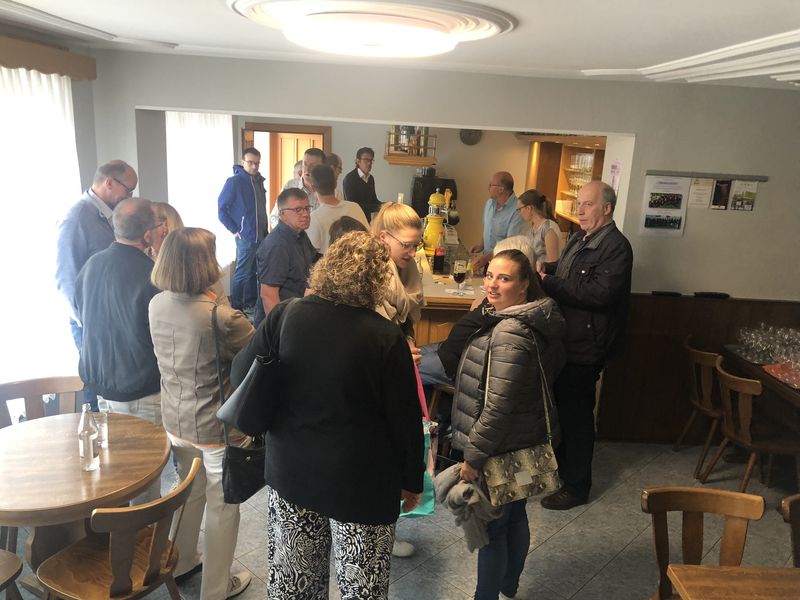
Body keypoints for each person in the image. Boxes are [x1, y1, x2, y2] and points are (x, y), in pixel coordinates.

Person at [232, 232, 423, 599]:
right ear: (377, 280)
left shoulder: (286, 314)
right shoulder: (385, 337)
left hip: (291, 471)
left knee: (295, 585)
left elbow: (241, 374)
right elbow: (405, 420)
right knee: (361, 589)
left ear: (325, 267)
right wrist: (412, 480)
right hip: (359, 484)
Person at [452, 249, 565, 600]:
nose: (492, 284)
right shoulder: (536, 318)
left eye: (504, 278)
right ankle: (509, 584)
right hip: (528, 439)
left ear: (524, 284)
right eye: (490, 275)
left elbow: (498, 406)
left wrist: (474, 457)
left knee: (493, 531)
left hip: (501, 448)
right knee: (516, 517)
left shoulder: (509, 332)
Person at [149, 227, 255, 600]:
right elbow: (259, 356)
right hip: (215, 428)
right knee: (223, 506)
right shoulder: (222, 317)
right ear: (205, 264)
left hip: (175, 419)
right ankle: (215, 589)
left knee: (189, 493)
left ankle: (179, 564)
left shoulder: (156, 304)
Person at [537, 180, 633, 510]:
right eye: (579, 203)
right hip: (567, 340)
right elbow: (570, 273)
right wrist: (547, 268)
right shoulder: (581, 238)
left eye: (588, 204)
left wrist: (549, 282)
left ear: (607, 208)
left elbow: (599, 294)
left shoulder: (616, 247)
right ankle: (562, 474)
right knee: (563, 412)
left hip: (587, 345)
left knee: (577, 418)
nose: (580, 210)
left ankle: (577, 487)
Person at [73, 197, 163, 500]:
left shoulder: (90, 265)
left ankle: (120, 526)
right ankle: (144, 531)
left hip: (101, 383)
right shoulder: (152, 275)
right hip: (140, 387)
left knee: (117, 470)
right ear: (147, 234)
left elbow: (80, 313)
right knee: (144, 476)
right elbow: (160, 334)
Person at [56, 159, 138, 410]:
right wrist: (89, 321)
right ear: (109, 183)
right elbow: (65, 278)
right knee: (97, 386)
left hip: (111, 318)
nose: (130, 196)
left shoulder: (108, 215)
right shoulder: (76, 218)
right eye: (128, 190)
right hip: (90, 323)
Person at [254, 187, 319, 326]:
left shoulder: (300, 234)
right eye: (298, 210)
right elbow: (268, 295)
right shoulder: (277, 245)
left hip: (296, 314)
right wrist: (280, 331)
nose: (305, 214)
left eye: (307, 208)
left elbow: (313, 261)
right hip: (280, 324)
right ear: (282, 214)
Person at [217, 147, 268, 313]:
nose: (254, 166)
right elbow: (221, 210)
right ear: (243, 162)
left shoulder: (259, 181)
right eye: (250, 162)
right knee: (243, 273)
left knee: (255, 272)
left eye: (257, 163)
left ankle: (251, 305)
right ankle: (236, 308)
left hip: (261, 235)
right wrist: (235, 229)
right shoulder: (235, 182)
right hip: (245, 236)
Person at [370, 202, 425, 346]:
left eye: (416, 245)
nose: (413, 253)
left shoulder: (406, 267)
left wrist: (409, 340)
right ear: (383, 237)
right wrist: (402, 351)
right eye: (406, 245)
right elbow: (369, 339)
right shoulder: (369, 276)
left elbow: (406, 320)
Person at [470, 171, 525, 274]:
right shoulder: (489, 203)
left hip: (503, 265)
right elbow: (487, 227)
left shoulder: (517, 210)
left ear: (501, 189)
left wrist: (486, 258)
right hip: (487, 261)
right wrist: (481, 245)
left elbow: (509, 244)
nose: (488, 188)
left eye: (491, 185)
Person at [305, 164, 368, 253]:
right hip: (360, 259)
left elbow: (312, 253)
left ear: (313, 187)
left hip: (331, 261)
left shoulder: (314, 218)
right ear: (335, 184)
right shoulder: (355, 207)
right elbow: (369, 238)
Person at [268, 147, 326, 229]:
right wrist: (288, 234)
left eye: (312, 166)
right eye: (305, 164)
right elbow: (274, 217)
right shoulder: (290, 186)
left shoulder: (331, 191)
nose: (307, 169)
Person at [517, 189, 561, 264]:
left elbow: (553, 263)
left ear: (529, 208)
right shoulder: (531, 230)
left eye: (519, 209)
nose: (519, 213)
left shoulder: (548, 227)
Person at [343, 146, 382, 221]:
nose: (369, 163)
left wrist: (387, 205)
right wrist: (379, 207)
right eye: (366, 160)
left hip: (366, 220)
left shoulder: (371, 178)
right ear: (358, 161)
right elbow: (353, 206)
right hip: (353, 220)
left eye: (371, 160)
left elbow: (373, 200)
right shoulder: (350, 178)